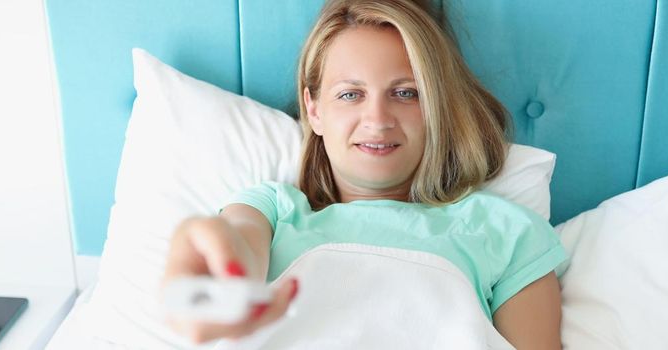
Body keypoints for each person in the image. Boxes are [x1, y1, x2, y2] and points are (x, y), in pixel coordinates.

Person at [162, 0, 565, 348]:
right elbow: (231, 260)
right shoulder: (271, 210)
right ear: (314, 109)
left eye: (406, 93)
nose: (377, 118)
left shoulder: (507, 232)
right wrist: (201, 270)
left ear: (435, 108)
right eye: (350, 94)